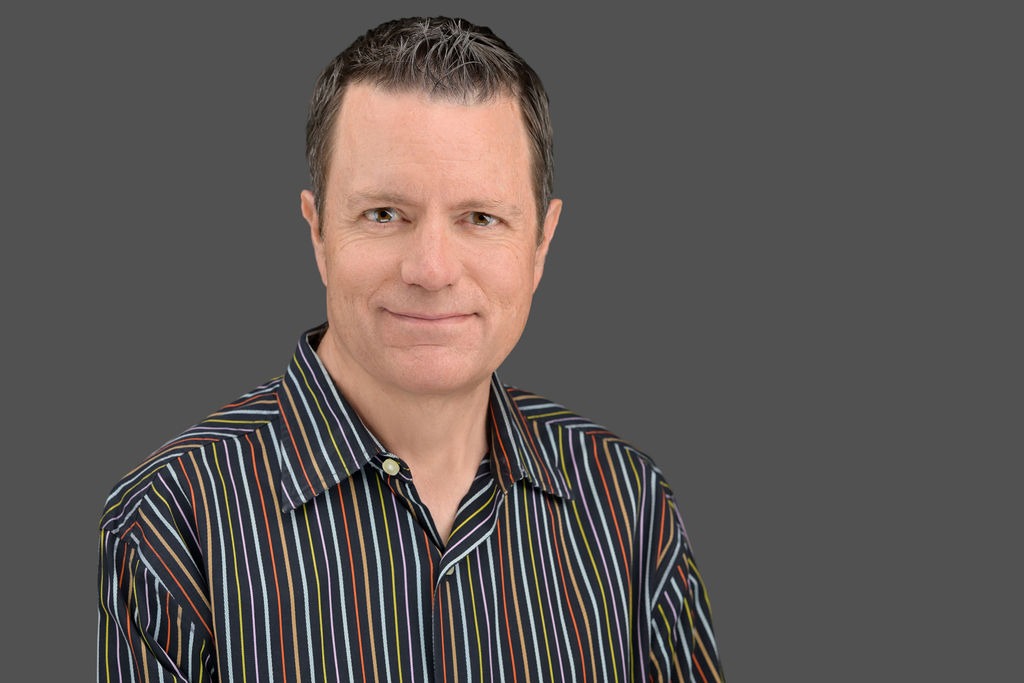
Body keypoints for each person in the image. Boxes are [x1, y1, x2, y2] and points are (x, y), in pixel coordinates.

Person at [97, 16, 723, 682]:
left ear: (541, 244)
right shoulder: (169, 520)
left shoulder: (629, 500)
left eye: (480, 218)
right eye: (385, 214)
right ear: (318, 232)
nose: (431, 269)